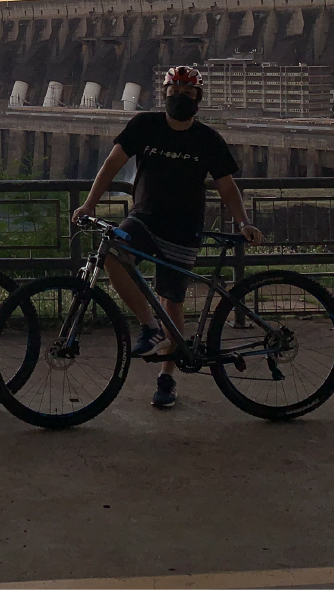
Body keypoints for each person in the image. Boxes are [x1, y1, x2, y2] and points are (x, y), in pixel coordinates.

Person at [72, 65, 263, 409]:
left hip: (183, 230)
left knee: (172, 303)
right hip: (143, 220)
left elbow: (226, 186)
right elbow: (112, 165)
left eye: (187, 94)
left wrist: (243, 222)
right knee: (115, 254)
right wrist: (89, 204)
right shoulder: (145, 125)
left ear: (198, 100)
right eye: (174, 93)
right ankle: (149, 327)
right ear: (165, 95)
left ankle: (167, 377)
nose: (180, 98)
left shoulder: (207, 139)